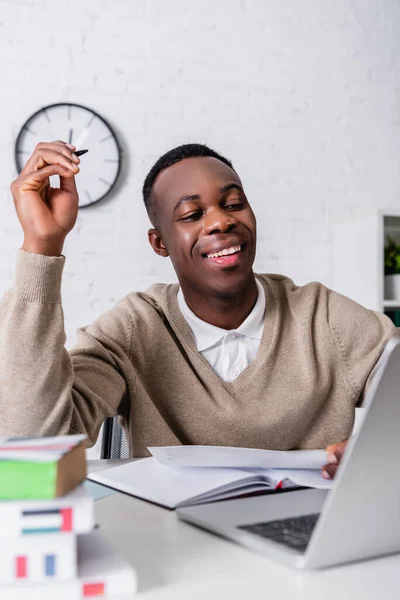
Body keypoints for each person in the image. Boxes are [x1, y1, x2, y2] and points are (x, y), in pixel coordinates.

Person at [0, 141, 396, 480]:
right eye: (192, 215)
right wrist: (42, 244)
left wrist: (375, 448)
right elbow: (33, 447)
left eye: (234, 203)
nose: (222, 221)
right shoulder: (133, 329)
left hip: (307, 543)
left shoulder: (322, 316)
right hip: (176, 553)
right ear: (160, 243)